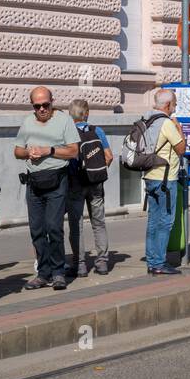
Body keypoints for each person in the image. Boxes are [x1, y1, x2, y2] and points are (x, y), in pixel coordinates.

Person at [14, 86, 79, 290]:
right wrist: (28, 153)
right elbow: (17, 151)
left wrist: (48, 150)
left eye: (45, 105)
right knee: (37, 229)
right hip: (33, 182)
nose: (42, 109)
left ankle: (58, 272)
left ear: (52, 102)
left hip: (57, 180)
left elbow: (73, 152)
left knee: (53, 227)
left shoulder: (64, 121)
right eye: (37, 106)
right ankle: (43, 273)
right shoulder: (27, 122)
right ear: (32, 106)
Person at [65, 98, 113, 277]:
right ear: (87, 113)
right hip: (96, 183)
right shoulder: (97, 131)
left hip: (75, 183)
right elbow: (108, 156)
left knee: (76, 225)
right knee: (99, 223)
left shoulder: (68, 132)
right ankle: (102, 263)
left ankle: (80, 265)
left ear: (71, 114)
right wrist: (96, 171)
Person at [142, 89, 187, 276]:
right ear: (167, 105)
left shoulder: (147, 120)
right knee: (165, 221)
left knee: (153, 221)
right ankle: (159, 263)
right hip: (165, 180)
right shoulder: (166, 124)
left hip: (150, 176)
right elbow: (181, 148)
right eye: (174, 104)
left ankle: (152, 261)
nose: (174, 108)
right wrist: (179, 129)